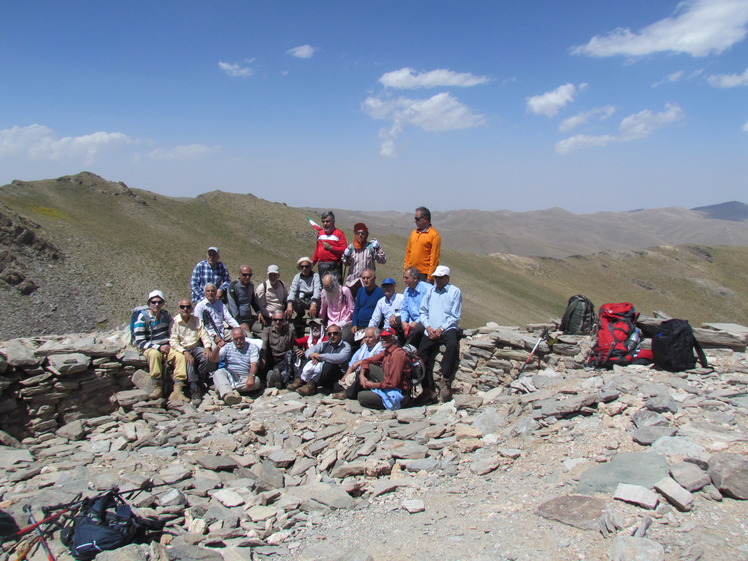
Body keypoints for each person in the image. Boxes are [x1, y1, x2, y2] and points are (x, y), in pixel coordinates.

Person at [418, 265, 462, 403]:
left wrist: (441, 328)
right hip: (431, 328)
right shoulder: (431, 291)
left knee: (452, 346)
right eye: (436, 277)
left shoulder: (455, 292)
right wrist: (428, 327)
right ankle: (427, 389)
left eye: (441, 277)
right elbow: (423, 311)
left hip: (447, 328)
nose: (438, 280)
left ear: (447, 278)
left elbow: (455, 316)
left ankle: (446, 379)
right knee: (421, 355)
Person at [169, 299, 215, 405]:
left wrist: (207, 347)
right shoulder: (175, 322)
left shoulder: (196, 320)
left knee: (207, 357)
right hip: (183, 348)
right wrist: (184, 351)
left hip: (195, 346)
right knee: (189, 361)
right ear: (179, 308)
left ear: (192, 308)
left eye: (188, 307)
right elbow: (173, 341)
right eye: (182, 307)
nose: (185, 309)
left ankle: (200, 379)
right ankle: (194, 388)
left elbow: (204, 334)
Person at [356, 328, 412, 410]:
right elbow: (366, 361)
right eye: (382, 337)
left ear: (393, 339)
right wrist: (362, 375)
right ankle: (352, 392)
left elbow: (393, 383)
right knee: (369, 368)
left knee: (362, 397)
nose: (383, 339)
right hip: (388, 381)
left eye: (386, 337)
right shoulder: (386, 351)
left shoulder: (398, 355)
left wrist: (372, 385)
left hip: (399, 392)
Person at [289, 323, 351, 396]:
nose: (332, 336)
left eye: (335, 333)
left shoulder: (346, 346)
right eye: (329, 334)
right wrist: (312, 356)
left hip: (337, 375)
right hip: (323, 371)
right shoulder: (324, 344)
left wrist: (320, 356)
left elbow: (339, 358)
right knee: (308, 359)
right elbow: (310, 351)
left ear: (340, 334)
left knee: (330, 364)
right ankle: (299, 380)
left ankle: (311, 386)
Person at [132, 290, 173, 400]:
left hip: (165, 345)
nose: (156, 305)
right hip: (150, 347)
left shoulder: (166, 315)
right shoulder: (142, 317)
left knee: (179, 357)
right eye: (153, 302)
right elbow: (140, 342)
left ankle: (179, 387)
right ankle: (157, 386)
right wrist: (158, 347)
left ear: (163, 303)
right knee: (154, 355)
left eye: (159, 302)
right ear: (149, 303)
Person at [208, 327, 261, 405]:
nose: (239, 341)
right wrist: (217, 348)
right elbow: (213, 359)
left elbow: (254, 364)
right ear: (232, 339)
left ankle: (225, 389)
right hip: (230, 376)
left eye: (241, 338)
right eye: (236, 339)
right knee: (218, 373)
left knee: (256, 381)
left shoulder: (252, 348)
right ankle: (228, 395)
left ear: (244, 337)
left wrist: (251, 376)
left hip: (244, 378)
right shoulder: (227, 347)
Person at [332, 326, 382, 400]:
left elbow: (374, 361)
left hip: (368, 374)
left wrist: (360, 362)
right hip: (356, 373)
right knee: (337, 385)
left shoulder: (380, 348)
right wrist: (346, 376)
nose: (367, 340)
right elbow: (353, 361)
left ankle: (347, 393)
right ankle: (352, 391)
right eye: (365, 337)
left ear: (377, 338)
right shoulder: (364, 346)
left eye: (370, 337)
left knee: (362, 375)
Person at [342, 223, 386, 298]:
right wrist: (346, 256)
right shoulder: (351, 248)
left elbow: (383, 260)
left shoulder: (371, 247)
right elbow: (346, 263)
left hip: (367, 283)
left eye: (363, 233)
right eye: (358, 233)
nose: (360, 235)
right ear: (355, 234)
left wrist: (378, 248)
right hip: (352, 282)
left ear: (366, 235)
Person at [260, 311, 296, 389]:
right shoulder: (267, 330)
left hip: (284, 358)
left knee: (290, 356)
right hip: (272, 357)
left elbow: (295, 345)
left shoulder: (290, 330)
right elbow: (264, 345)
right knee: (262, 356)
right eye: (275, 320)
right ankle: (273, 377)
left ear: (284, 320)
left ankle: (277, 377)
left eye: (280, 320)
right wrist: (263, 357)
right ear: (272, 320)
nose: (277, 322)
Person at [404, 207, 441, 282]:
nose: (415, 221)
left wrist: (430, 277)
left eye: (417, 219)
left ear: (425, 219)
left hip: (424, 274)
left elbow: (434, 258)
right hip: (412, 272)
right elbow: (408, 252)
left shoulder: (434, 235)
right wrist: (406, 269)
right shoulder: (414, 233)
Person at [226, 264, 262, 335]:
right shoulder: (233, 287)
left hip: (249, 318)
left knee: (265, 331)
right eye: (245, 275)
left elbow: (252, 301)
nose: (247, 277)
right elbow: (233, 308)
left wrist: (258, 312)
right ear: (239, 274)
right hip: (237, 321)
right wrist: (240, 323)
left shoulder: (251, 285)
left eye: (250, 275)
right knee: (249, 336)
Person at [286, 256, 321, 329]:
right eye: (302, 267)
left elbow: (317, 290)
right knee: (292, 299)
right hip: (301, 299)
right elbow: (293, 290)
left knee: (322, 297)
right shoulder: (297, 277)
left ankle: (315, 314)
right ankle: (300, 314)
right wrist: (289, 304)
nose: (304, 269)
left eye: (307, 266)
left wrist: (314, 303)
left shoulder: (315, 276)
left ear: (310, 267)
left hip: (312, 299)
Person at [399, 266, 431, 347]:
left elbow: (429, 311)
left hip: (423, 320)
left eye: (406, 278)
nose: (404, 280)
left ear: (415, 279)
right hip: (411, 319)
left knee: (416, 330)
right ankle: (397, 346)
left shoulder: (427, 289)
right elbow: (404, 308)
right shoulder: (407, 290)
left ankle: (407, 350)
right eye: (404, 277)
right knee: (395, 321)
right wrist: (403, 321)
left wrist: (416, 322)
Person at [311, 211, 347, 281]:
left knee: (336, 289)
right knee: (324, 288)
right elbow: (317, 250)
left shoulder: (339, 234)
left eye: (327, 221)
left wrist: (331, 248)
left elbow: (344, 250)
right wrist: (312, 263)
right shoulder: (320, 233)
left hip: (335, 266)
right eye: (323, 222)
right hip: (322, 265)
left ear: (333, 222)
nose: (325, 224)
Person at [319, 274, 354, 342]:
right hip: (331, 323)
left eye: (329, 287)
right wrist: (321, 320)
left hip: (345, 322)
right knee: (328, 341)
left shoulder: (345, 290)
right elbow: (323, 309)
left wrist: (344, 322)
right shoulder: (324, 292)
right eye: (325, 287)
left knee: (342, 338)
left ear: (334, 284)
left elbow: (352, 309)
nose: (328, 290)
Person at [351, 269, 383, 337]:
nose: (365, 280)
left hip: (371, 327)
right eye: (363, 278)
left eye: (368, 278)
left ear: (374, 279)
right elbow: (356, 309)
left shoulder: (380, 292)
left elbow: (381, 313)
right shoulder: (360, 291)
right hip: (358, 325)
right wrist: (354, 324)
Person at [256, 265, 289, 329]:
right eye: (271, 275)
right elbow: (260, 307)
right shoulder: (262, 288)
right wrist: (272, 316)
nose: (272, 277)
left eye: (274, 275)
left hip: (282, 316)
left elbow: (286, 298)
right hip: (269, 318)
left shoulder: (282, 284)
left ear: (278, 276)